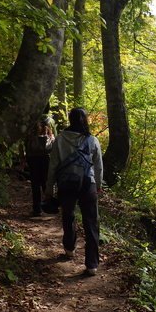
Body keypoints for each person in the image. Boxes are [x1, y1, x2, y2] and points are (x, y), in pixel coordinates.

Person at [44, 107, 103, 276]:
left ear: (70, 120)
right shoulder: (92, 140)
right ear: (85, 120)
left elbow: (53, 166)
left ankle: (70, 248)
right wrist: (98, 185)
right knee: (91, 222)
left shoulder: (60, 139)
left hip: (66, 184)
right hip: (87, 184)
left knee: (68, 215)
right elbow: (98, 166)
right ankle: (91, 264)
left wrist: (49, 189)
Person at [24, 115, 55, 216]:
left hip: (33, 158)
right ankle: (50, 207)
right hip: (46, 158)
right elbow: (54, 142)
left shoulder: (31, 121)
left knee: (35, 185)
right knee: (46, 183)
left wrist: (24, 157)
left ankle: (37, 209)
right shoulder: (50, 122)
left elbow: (26, 142)